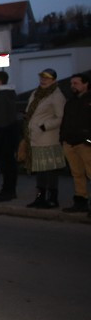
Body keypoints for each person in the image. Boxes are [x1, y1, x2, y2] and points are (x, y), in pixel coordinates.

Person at [23, 68, 67, 209]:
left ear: (53, 80)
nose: (43, 80)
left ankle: (53, 199)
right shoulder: (36, 93)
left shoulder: (56, 96)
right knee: (40, 170)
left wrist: (44, 126)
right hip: (35, 137)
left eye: (47, 78)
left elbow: (61, 117)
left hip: (48, 138)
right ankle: (40, 198)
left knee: (50, 170)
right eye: (42, 77)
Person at [60, 72, 91, 215]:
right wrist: (63, 139)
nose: (72, 86)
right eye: (71, 83)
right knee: (77, 174)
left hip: (85, 144)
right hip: (70, 143)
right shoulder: (71, 102)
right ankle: (80, 201)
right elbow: (65, 122)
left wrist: (88, 141)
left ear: (85, 84)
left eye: (76, 83)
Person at [0, 71, 21, 203]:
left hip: (5, 136)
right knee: (9, 165)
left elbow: (1, 121)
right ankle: (9, 190)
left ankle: (7, 191)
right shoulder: (10, 95)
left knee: (7, 165)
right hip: (10, 134)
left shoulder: (2, 97)